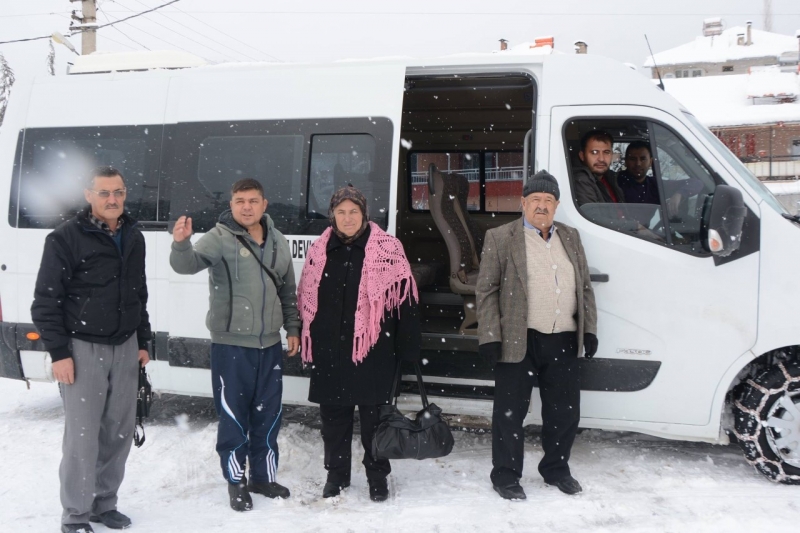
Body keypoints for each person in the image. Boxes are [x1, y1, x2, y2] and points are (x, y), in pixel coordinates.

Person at [31, 166, 152, 533]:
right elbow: (45, 302)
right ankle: (76, 515)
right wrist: (59, 354)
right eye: (104, 193)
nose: (112, 199)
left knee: (118, 431)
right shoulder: (65, 238)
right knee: (82, 438)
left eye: (118, 192)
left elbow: (139, 293)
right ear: (88, 196)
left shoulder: (133, 235)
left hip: (125, 346)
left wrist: (143, 341)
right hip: (83, 349)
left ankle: (104, 504)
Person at [169, 178, 300, 512]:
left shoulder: (278, 242)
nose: (246, 207)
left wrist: (293, 328)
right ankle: (235, 482)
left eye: (253, 200)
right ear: (231, 204)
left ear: (264, 204)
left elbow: (287, 291)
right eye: (239, 200)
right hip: (231, 348)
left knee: (268, 416)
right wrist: (182, 244)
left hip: (269, 346)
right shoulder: (219, 238)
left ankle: (262, 477)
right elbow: (187, 265)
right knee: (233, 418)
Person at [476, 170, 598, 500]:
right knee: (509, 413)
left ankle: (556, 469)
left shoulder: (570, 237)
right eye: (535, 200)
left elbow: (584, 287)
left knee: (564, 412)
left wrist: (589, 331)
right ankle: (505, 475)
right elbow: (486, 291)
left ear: (556, 205)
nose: (541, 206)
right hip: (519, 338)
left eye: (548, 201)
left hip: (563, 339)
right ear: (523, 203)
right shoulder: (501, 238)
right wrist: (489, 335)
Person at [297, 185, 421, 503]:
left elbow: (404, 303)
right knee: (334, 420)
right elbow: (305, 299)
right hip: (330, 351)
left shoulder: (388, 249)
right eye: (341, 212)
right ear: (332, 216)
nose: (348, 218)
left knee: (374, 421)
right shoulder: (319, 251)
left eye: (354, 211)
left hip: (374, 351)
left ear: (364, 215)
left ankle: (377, 477)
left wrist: (408, 348)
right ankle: (336, 476)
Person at [618, 141, 704, 217]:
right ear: (626, 161)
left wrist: (680, 193)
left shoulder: (654, 185)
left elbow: (697, 183)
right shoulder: (615, 181)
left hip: (642, 234)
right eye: (633, 159)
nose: (638, 163)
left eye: (643, 159)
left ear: (650, 162)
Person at [572, 130, 624, 206]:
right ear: (582, 156)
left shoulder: (610, 178)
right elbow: (594, 216)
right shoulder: (581, 180)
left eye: (606, 152)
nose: (601, 159)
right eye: (594, 152)